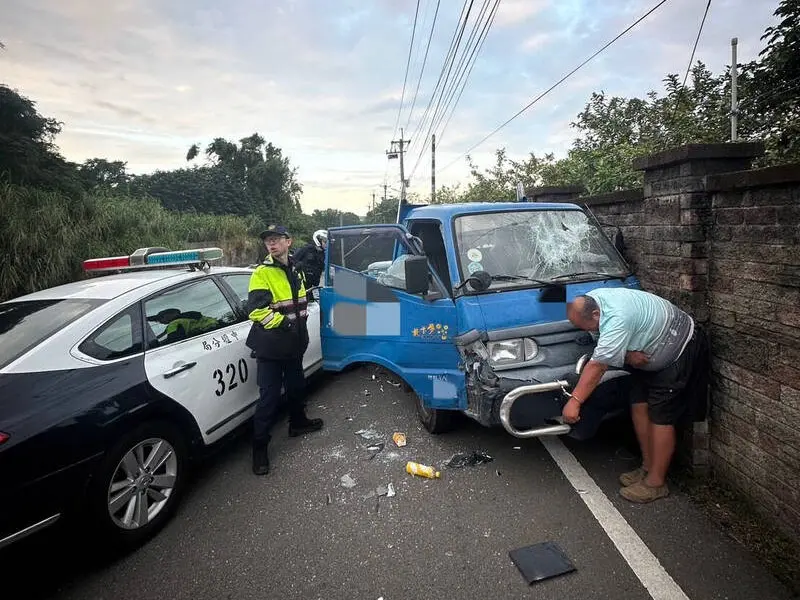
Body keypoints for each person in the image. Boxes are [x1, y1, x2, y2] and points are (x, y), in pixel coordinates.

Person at [563, 287, 709, 504]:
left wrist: (574, 402)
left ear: (596, 314)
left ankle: (656, 483)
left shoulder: (617, 317)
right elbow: (606, 341)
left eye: (587, 327)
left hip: (679, 348)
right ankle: (647, 468)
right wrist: (628, 355)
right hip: (648, 350)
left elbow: (598, 367)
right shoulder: (594, 301)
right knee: (638, 402)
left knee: (660, 415)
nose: (588, 332)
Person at [245, 224, 324, 476]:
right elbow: (256, 310)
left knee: (296, 386)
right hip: (271, 346)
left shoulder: (295, 268)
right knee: (268, 399)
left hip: (293, 343)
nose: (271, 244)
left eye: (276, 239)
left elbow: (300, 303)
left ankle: (298, 423)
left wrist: (300, 332)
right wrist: (285, 323)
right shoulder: (262, 273)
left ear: (288, 242)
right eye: (268, 240)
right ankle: (259, 450)